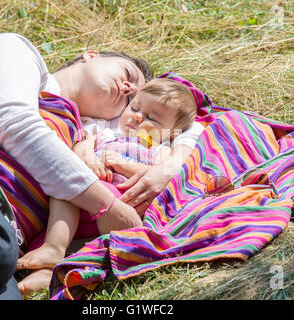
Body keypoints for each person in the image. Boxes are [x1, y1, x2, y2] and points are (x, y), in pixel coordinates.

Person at [0, 33, 199, 299]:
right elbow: (12, 122)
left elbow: (194, 124)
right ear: (92, 56)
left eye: (131, 98)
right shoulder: (16, 50)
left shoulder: (83, 134)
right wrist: (106, 205)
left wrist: (168, 166)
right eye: (127, 74)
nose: (126, 88)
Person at [16, 78, 198, 276]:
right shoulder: (105, 134)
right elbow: (80, 149)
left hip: (117, 206)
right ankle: (48, 258)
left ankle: (54, 255)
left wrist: (124, 165)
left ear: (170, 134)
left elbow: (156, 176)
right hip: (78, 206)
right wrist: (91, 159)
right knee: (63, 195)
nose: (138, 117)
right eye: (135, 107)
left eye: (152, 119)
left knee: (85, 245)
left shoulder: (159, 150)